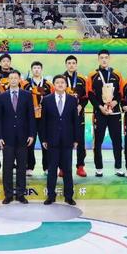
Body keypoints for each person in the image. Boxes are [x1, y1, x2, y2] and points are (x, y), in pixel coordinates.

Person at [0, 70, 35, 204]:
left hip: (23, 137)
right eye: (11, 78)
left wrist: (31, 134)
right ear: (8, 80)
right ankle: (8, 194)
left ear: (19, 80)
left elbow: (31, 116)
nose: (13, 80)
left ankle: (20, 194)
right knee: (7, 167)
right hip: (7, 138)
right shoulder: (1, 97)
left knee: (22, 167)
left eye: (15, 78)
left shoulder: (27, 95)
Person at [41, 75, 79, 206]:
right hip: (52, 140)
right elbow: (43, 121)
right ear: (54, 85)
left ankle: (69, 196)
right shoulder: (47, 100)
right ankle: (51, 196)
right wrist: (44, 138)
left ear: (66, 85)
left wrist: (76, 139)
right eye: (57, 82)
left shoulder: (72, 100)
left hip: (68, 140)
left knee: (67, 169)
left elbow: (75, 121)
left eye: (62, 82)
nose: (60, 84)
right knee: (52, 169)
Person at [87, 49, 124, 177]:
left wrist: (115, 102)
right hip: (100, 113)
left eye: (106, 57)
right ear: (98, 59)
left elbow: (121, 92)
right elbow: (90, 94)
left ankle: (118, 167)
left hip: (115, 113)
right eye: (101, 57)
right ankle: (99, 168)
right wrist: (99, 107)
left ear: (109, 59)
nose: (104, 60)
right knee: (98, 142)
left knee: (117, 141)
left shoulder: (117, 74)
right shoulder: (92, 75)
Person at [21, 61, 53, 176]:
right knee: (30, 142)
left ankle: (47, 166)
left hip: (45, 118)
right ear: (31, 70)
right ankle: (29, 166)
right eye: (34, 68)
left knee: (46, 142)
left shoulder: (48, 85)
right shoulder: (25, 84)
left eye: (38, 68)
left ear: (41, 70)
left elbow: (52, 100)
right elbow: (22, 101)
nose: (36, 70)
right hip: (30, 118)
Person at [63, 55, 88, 177]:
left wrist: (81, 106)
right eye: (69, 63)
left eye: (73, 63)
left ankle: (80, 166)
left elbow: (86, 97)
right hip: (64, 116)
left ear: (76, 65)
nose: (71, 65)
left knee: (80, 141)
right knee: (64, 141)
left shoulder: (82, 79)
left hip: (78, 115)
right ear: (66, 65)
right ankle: (63, 167)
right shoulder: (61, 79)